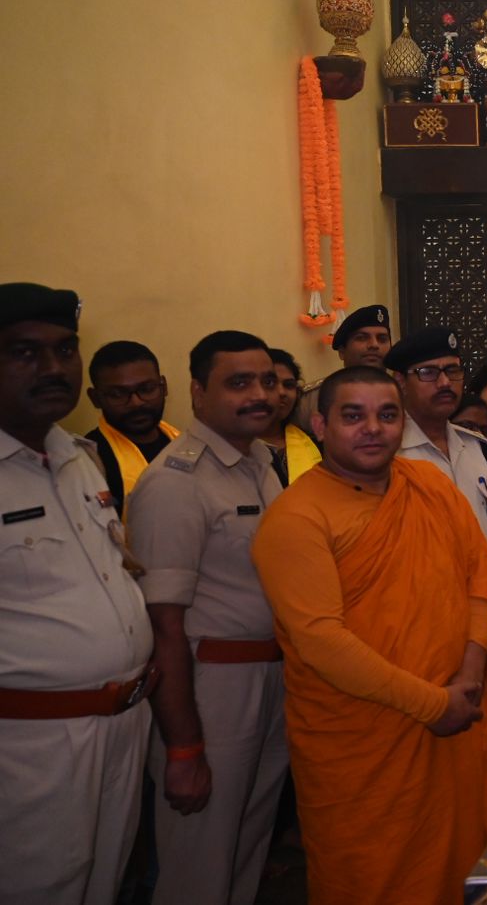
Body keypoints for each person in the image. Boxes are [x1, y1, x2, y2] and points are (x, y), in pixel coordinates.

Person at [251, 366, 487, 902]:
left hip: (458, 715)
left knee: (468, 864)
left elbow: (479, 585)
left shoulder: (432, 488)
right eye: (353, 416)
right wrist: (430, 703)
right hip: (367, 745)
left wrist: (468, 675)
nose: (372, 428)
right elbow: (321, 641)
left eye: (387, 415)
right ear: (321, 426)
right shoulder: (297, 518)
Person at [0, 283, 155, 905]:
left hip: (120, 726)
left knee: (105, 882)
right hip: (30, 746)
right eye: (24, 353)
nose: (54, 368)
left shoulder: (77, 456)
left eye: (66, 350)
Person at [126, 330, 289, 905]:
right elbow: (162, 626)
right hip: (211, 689)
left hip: (270, 680)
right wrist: (184, 747)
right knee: (199, 864)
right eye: (238, 382)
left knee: (247, 850)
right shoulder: (175, 482)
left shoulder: (260, 465)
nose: (260, 394)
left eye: (267, 380)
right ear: (197, 393)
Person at [387, 328, 487, 586]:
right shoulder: (389, 455)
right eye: (427, 373)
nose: (444, 383)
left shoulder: (475, 446)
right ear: (400, 381)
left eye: (453, 371)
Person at [84, 339, 180, 515]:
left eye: (147, 389)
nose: (136, 403)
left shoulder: (184, 443)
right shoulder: (87, 460)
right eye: (118, 394)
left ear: (164, 387)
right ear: (95, 398)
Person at [291, 303, 391, 432]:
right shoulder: (309, 401)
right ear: (342, 351)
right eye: (362, 338)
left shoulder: (405, 394)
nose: (374, 345)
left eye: (382, 339)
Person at [263, 347, 321, 487]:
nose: (281, 392)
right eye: (270, 383)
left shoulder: (318, 445)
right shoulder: (233, 449)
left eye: (288, 385)